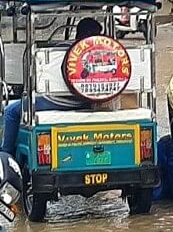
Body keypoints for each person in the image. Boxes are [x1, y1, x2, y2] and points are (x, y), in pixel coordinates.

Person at [1, 18, 102, 155]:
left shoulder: (60, 49)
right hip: (88, 102)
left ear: (77, 34)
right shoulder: (104, 52)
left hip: (57, 101)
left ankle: (6, 154)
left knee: (10, 111)